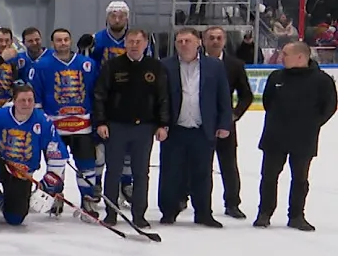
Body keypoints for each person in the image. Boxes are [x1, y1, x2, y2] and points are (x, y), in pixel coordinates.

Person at [256, 41, 338, 231]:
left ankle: (296, 215)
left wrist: (311, 124)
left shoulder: (322, 80)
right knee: (269, 176)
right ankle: (264, 213)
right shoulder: (276, 77)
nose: (281, 57)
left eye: (285, 54)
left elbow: (329, 106)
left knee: (300, 178)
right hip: (275, 136)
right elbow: (268, 102)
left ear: (300, 57)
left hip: (304, 138)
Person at [93, 28, 169, 227]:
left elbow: (163, 98)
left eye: (138, 42)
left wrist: (163, 124)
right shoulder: (112, 66)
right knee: (113, 171)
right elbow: (100, 95)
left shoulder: (155, 67)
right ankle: (111, 212)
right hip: (116, 126)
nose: (134, 45)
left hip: (144, 128)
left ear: (145, 44)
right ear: (125, 44)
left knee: (141, 173)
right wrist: (101, 122)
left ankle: (139, 214)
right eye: (131, 42)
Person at [157, 28, 233, 227]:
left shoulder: (214, 66)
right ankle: (169, 211)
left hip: (203, 129)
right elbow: (159, 98)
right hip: (175, 129)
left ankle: (203, 213)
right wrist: (161, 124)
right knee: (171, 172)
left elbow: (223, 96)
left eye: (187, 41)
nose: (183, 44)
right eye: (180, 41)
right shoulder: (165, 65)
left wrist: (224, 123)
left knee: (203, 173)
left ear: (198, 42)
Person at [0, 86, 69, 229]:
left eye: (30, 100)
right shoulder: (0, 115)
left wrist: (51, 179)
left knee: (15, 218)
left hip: (22, 173)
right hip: (0, 163)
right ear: (14, 101)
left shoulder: (43, 121)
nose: (27, 104)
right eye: (22, 100)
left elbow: (56, 149)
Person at [29, 28, 101, 218]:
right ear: (53, 43)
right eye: (59, 40)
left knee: (87, 165)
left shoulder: (87, 64)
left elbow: (95, 93)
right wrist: (41, 123)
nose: (63, 43)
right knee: (56, 165)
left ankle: (87, 200)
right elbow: (36, 98)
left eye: (66, 39)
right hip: (55, 128)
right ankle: (57, 196)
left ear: (70, 41)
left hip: (82, 127)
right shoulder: (41, 65)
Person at [201, 26, 254, 218]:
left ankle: (232, 203)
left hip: (225, 123)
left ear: (224, 41)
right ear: (204, 41)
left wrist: (234, 114)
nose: (215, 41)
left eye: (219, 38)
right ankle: (186, 198)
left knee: (229, 165)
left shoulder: (235, 65)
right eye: (211, 38)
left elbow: (246, 95)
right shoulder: (195, 62)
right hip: (199, 122)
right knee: (197, 164)